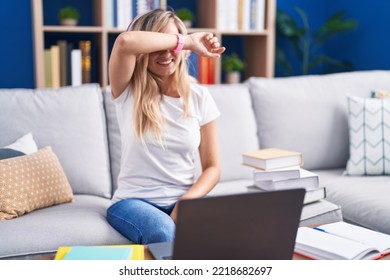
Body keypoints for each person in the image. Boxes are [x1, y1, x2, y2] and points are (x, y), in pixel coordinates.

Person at [106, 8, 226, 244]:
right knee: (163, 232)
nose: (166, 54)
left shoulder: (199, 97)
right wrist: (188, 41)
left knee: (229, 233)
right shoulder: (127, 90)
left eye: (174, 46)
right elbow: (124, 42)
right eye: (156, 46)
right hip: (134, 202)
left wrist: (186, 203)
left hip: (185, 198)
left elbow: (213, 168)